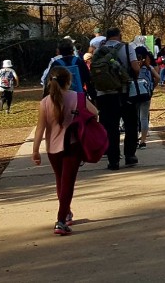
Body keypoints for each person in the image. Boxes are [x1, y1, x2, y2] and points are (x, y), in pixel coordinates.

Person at [32, 66, 98, 235]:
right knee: (68, 183)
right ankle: (61, 221)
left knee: (61, 181)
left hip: (52, 149)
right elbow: (95, 113)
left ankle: (66, 212)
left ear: (49, 82)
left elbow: (40, 128)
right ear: (68, 82)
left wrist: (35, 150)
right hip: (73, 145)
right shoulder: (78, 97)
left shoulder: (45, 102)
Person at [94, 27, 141, 171]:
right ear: (119, 36)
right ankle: (129, 155)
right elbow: (135, 68)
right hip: (124, 93)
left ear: (106, 38)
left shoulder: (98, 51)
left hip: (104, 95)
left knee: (111, 127)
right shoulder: (128, 47)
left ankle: (113, 160)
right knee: (130, 124)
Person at [135, 46, 158, 149]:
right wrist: (152, 87)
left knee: (134, 118)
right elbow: (158, 77)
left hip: (134, 94)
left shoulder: (133, 66)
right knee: (144, 117)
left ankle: (134, 139)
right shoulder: (148, 67)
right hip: (146, 94)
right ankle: (143, 141)